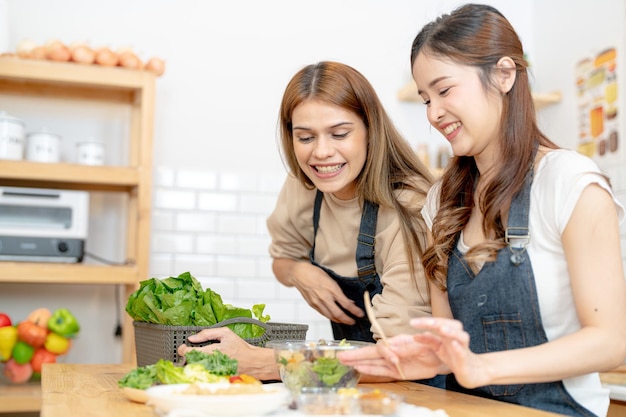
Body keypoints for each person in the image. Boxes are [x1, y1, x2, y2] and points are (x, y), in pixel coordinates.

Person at [338, 4, 626, 417]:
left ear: (504, 74)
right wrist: (417, 358)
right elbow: (448, 345)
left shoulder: (570, 182)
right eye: (425, 98)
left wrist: (481, 368)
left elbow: (609, 341)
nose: (433, 113)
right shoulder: (441, 201)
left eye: (444, 90)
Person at [179, 61, 445, 387]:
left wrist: (268, 363)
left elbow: (401, 358)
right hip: (351, 385)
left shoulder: (408, 208)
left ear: (370, 131)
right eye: (305, 137)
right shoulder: (305, 186)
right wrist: (299, 272)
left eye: (340, 134)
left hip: (413, 391)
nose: (321, 153)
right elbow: (283, 258)